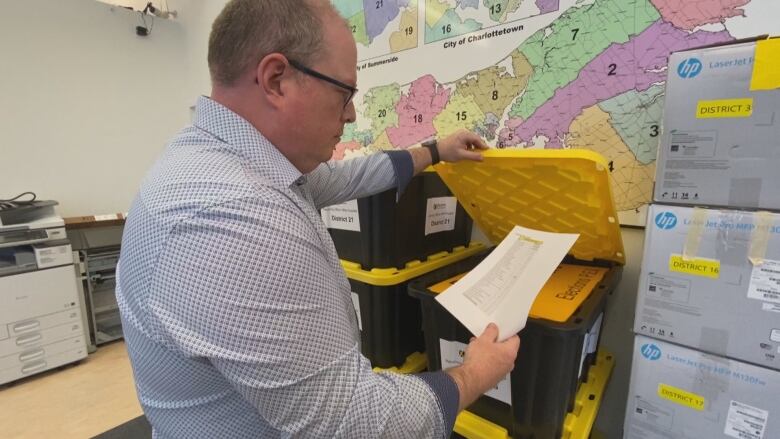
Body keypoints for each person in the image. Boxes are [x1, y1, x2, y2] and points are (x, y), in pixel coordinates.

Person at [115, 0, 520, 437]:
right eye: (344, 92)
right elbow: (353, 424)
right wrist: (474, 374)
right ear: (276, 80)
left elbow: (346, 178)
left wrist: (436, 152)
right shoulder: (237, 218)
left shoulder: (222, 158)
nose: (350, 114)